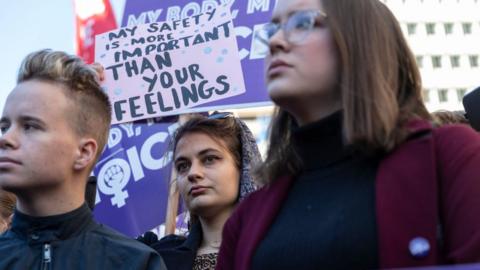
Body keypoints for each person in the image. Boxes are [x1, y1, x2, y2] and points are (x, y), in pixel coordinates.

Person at [216, 0, 480, 269]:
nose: (275, 43)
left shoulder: (452, 159)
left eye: (301, 23)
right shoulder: (247, 217)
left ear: (362, 38)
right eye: (272, 30)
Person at [0, 49, 166, 269]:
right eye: (4, 127)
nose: (6, 139)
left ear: (84, 152)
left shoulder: (137, 263)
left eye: (30, 126)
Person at [139, 113, 261, 270]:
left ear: (243, 166)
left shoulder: (282, 249)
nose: (192, 173)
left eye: (209, 159)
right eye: (183, 166)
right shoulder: (155, 259)